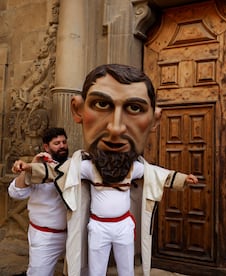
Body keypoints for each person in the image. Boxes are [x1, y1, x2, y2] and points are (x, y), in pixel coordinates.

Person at [12, 64, 198, 276]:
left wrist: (184, 179)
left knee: (126, 269)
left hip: (123, 227)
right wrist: (28, 168)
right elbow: (57, 171)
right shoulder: (86, 168)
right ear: (78, 110)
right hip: (97, 227)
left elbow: (158, 174)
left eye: (135, 108)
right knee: (95, 270)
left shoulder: (135, 168)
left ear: (154, 120)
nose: (116, 128)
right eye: (101, 104)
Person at [9, 127, 69, 276]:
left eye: (64, 142)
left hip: (73, 233)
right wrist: (29, 169)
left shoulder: (72, 165)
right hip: (45, 236)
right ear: (46, 147)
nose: (62, 146)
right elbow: (16, 193)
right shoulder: (34, 166)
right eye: (57, 143)